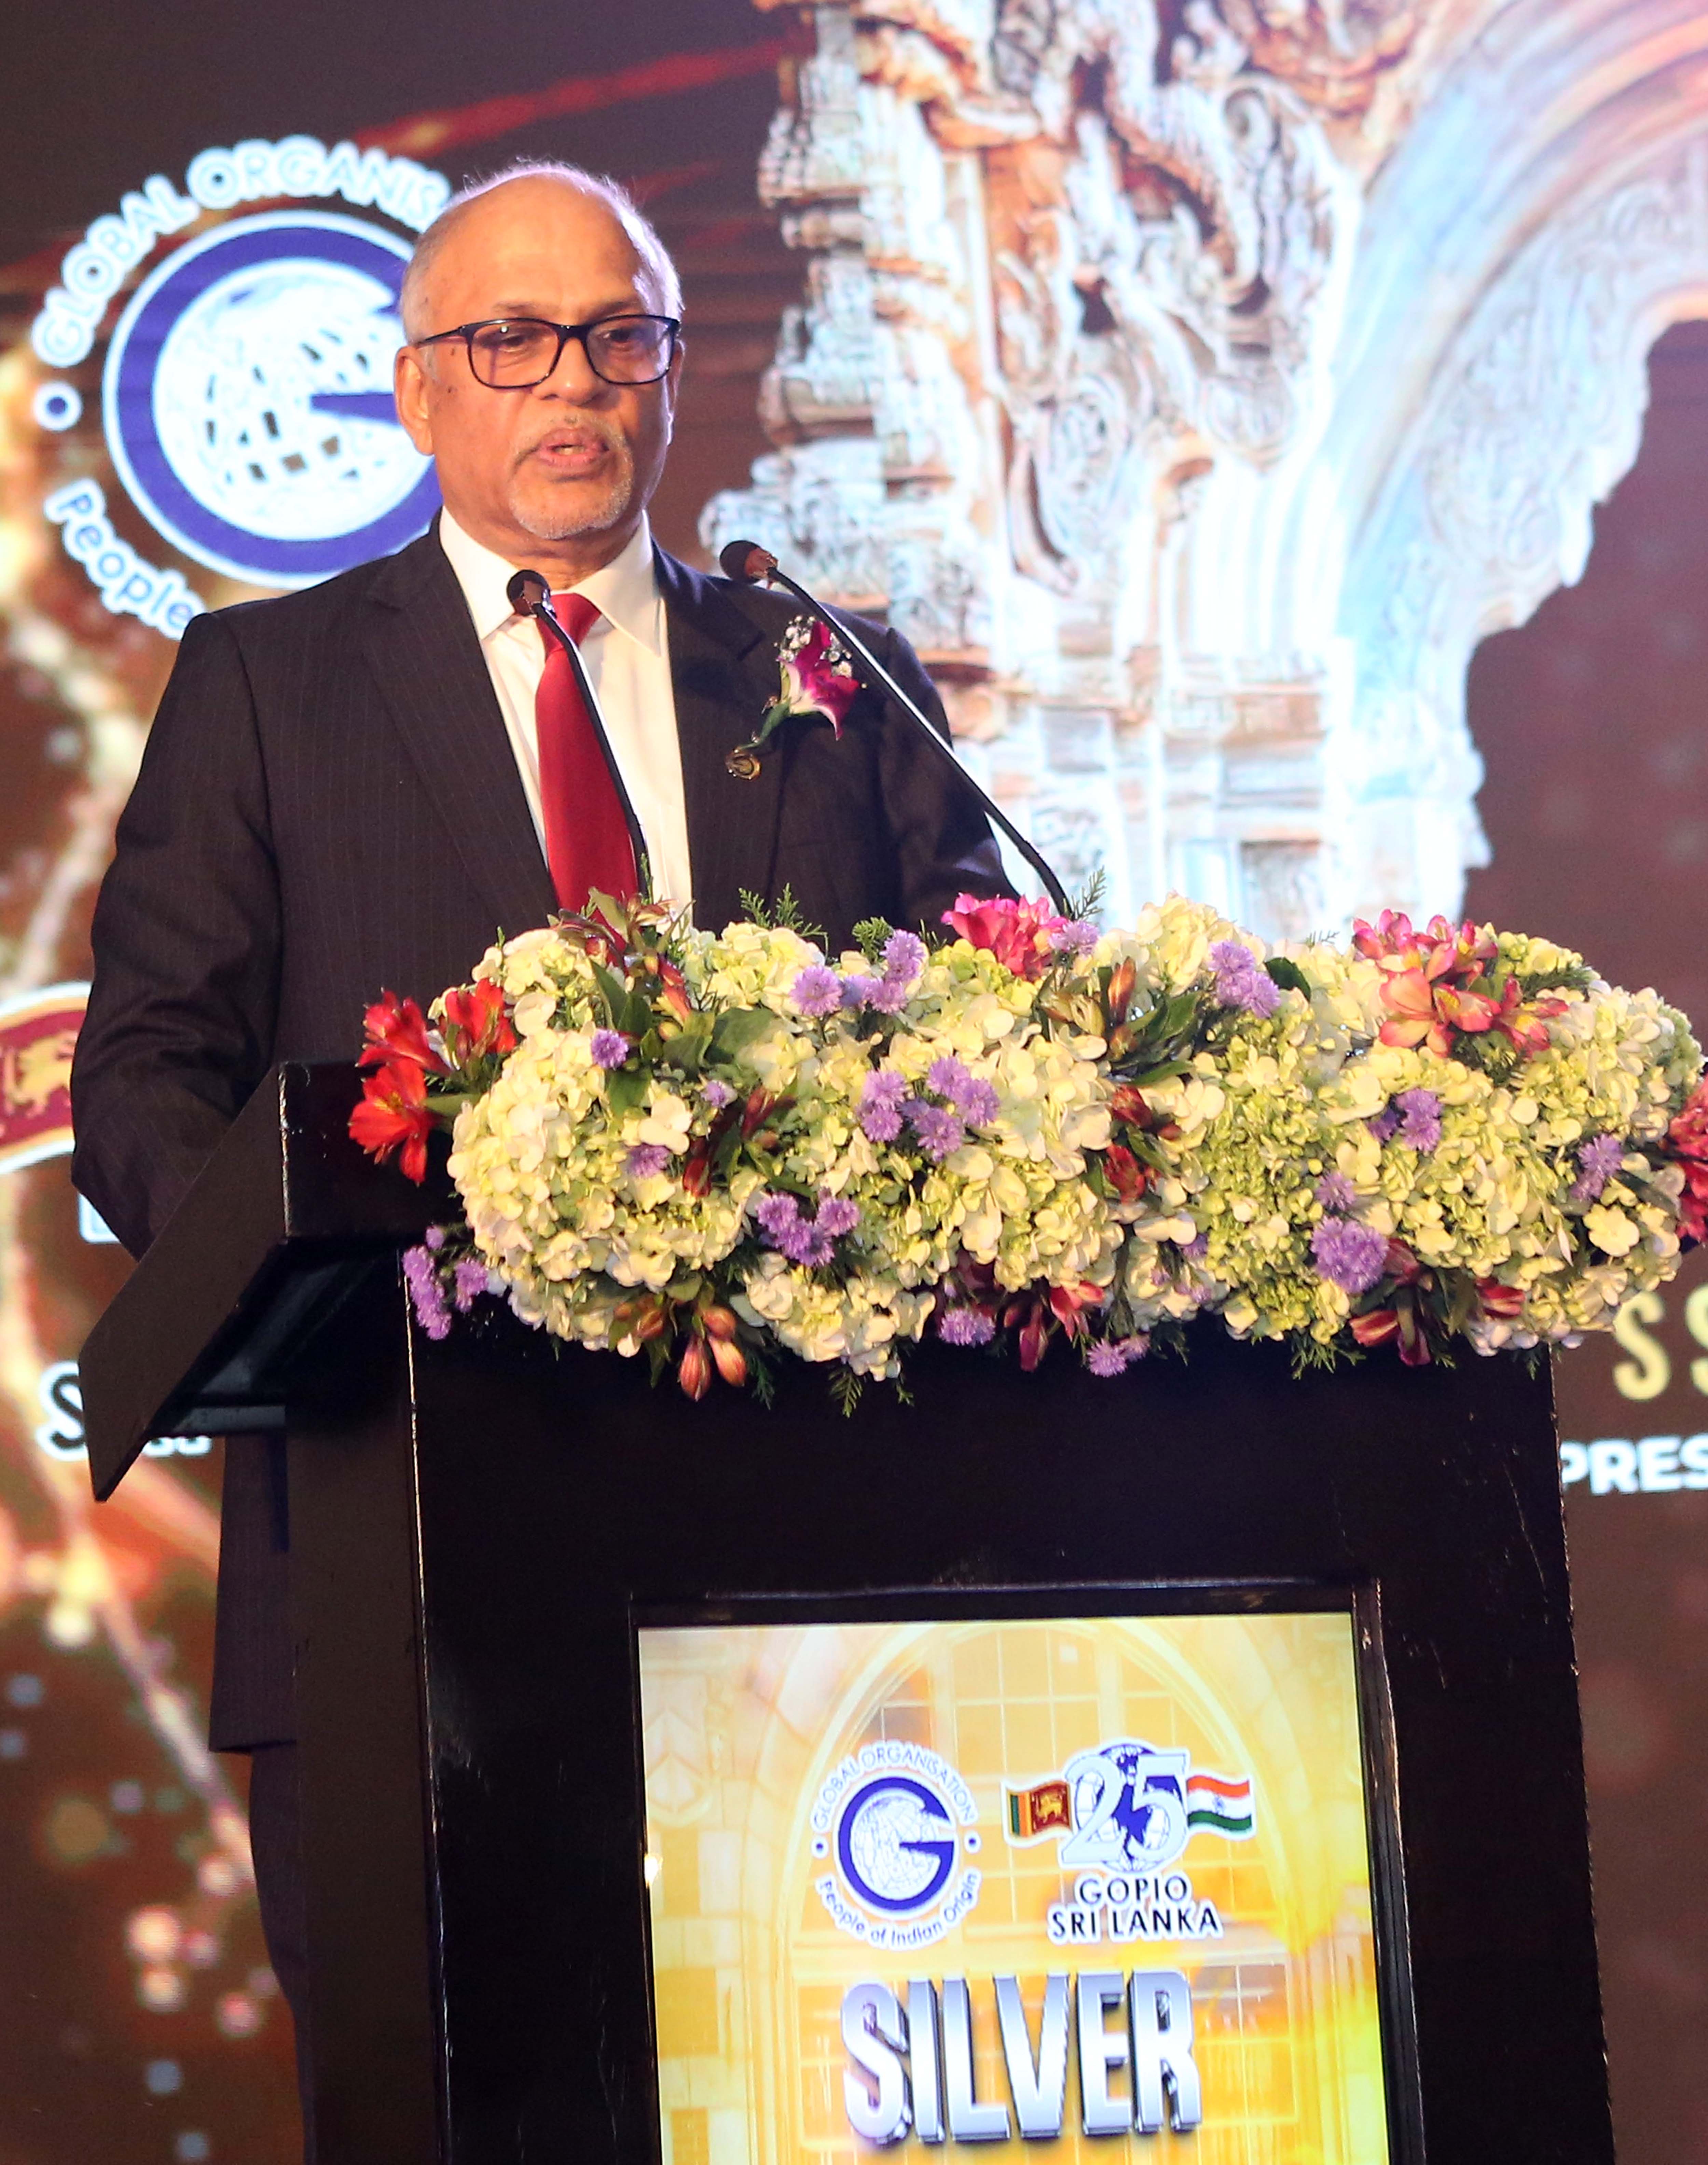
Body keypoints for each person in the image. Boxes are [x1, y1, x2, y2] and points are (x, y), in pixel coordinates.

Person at [68, 163, 1011, 2146]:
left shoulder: (829, 678)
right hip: (394, 1544)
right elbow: (147, 1079)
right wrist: (327, 1290)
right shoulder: (270, 688)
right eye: (510, 340)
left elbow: (983, 1045)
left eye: (616, 335)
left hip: (808, 1553)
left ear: (673, 373)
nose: (571, 382)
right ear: (419, 389)